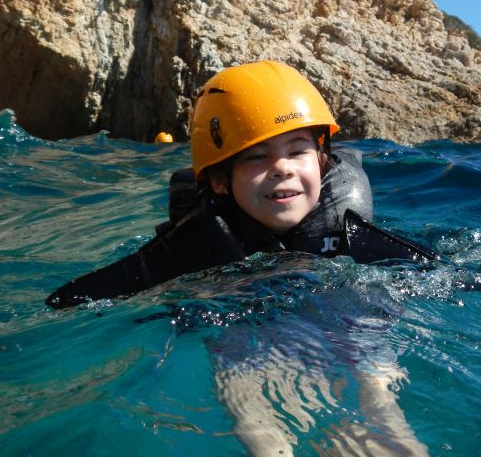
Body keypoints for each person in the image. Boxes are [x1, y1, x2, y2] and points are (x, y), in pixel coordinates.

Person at [46, 61, 431, 456]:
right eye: (256, 157)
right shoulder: (197, 245)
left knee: (376, 384)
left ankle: (383, 421)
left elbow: (436, 275)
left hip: (344, 312)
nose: (281, 168)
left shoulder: (347, 228)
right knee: (253, 402)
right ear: (217, 179)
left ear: (321, 158)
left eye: (297, 150)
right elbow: (94, 295)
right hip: (245, 322)